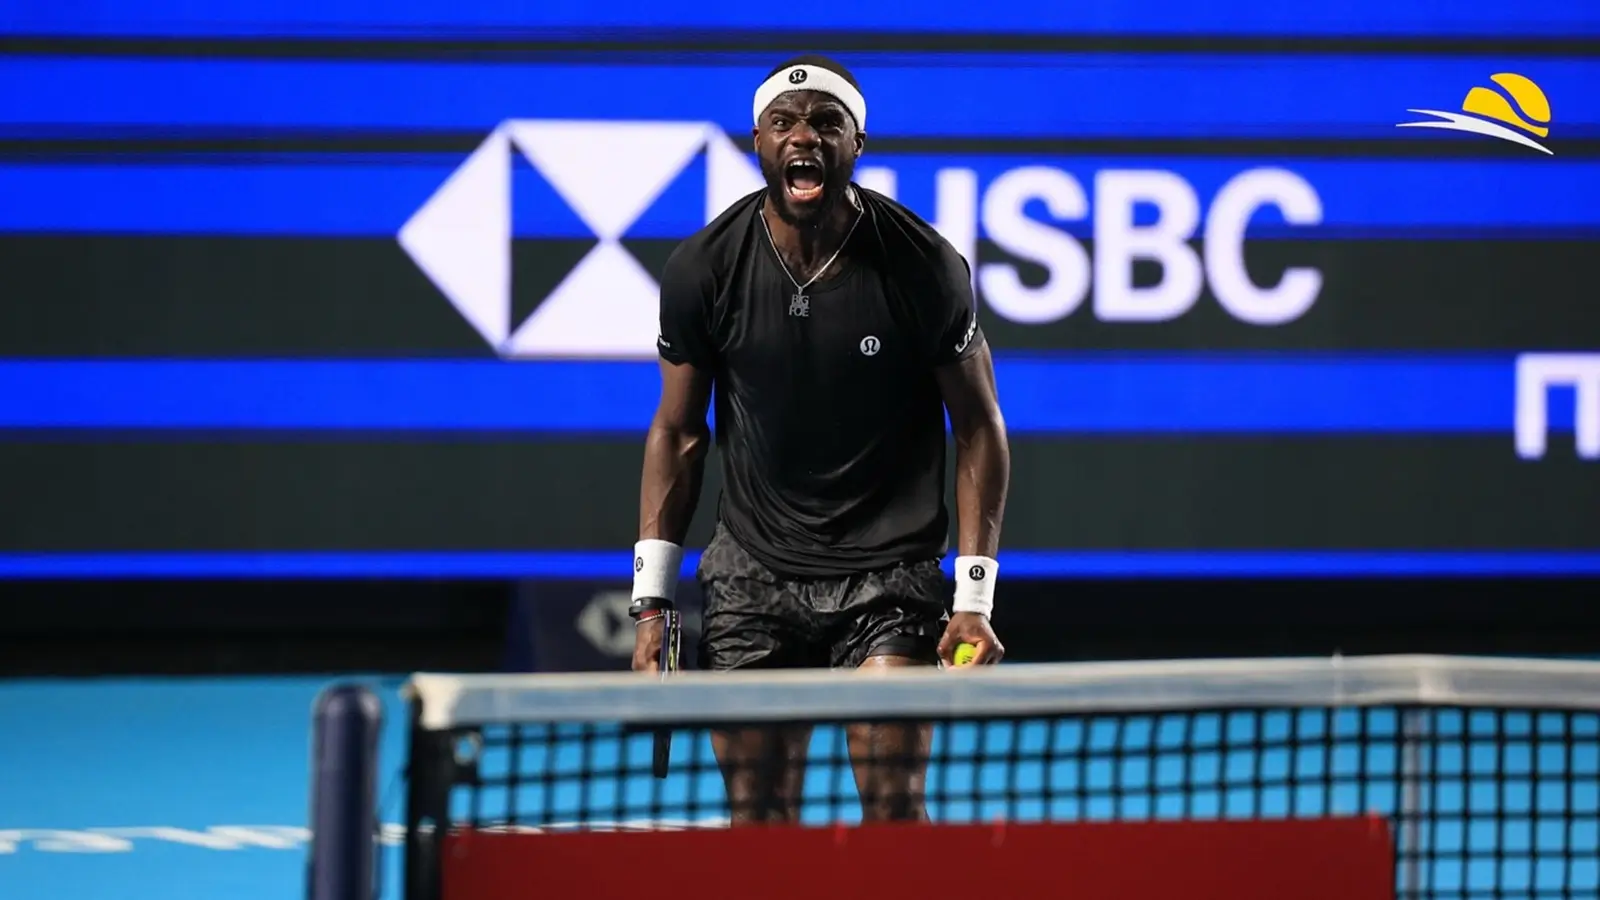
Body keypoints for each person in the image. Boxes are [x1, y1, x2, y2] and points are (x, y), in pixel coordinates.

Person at [628, 54, 1011, 824]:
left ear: (857, 144)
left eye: (826, 124)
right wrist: (651, 604)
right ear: (759, 143)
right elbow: (678, 432)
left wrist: (973, 596)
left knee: (893, 799)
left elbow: (979, 426)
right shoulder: (703, 268)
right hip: (753, 569)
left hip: (888, 574)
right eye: (785, 123)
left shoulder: (924, 267)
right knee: (759, 814)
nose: (805, 138)